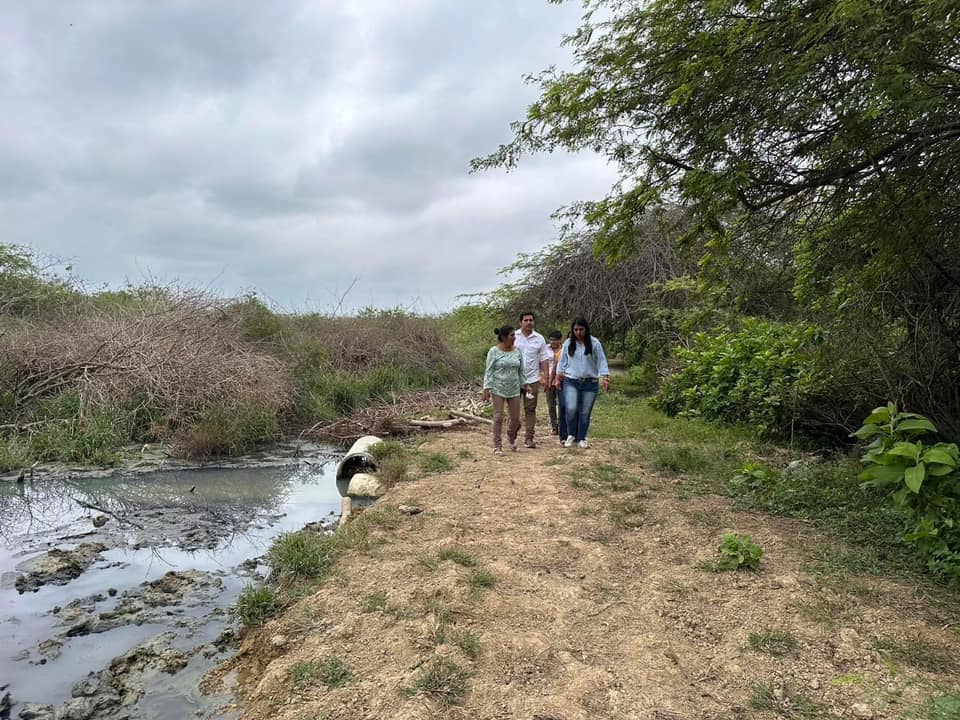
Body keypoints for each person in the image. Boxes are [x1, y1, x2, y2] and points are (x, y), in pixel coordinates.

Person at [555, 317, 610, 449]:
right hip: (571, 380)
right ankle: (571, 435)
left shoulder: (594, 343)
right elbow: (562, 361)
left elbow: (601, 360)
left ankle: (582, 438)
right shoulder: (568, 343)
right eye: (576, 330)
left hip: (590, 382)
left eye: (581, 329)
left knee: (585, 412)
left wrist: (605, 377)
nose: (578, 332)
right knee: (571, 408)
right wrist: (558, 377)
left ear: (586, 329)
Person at [482, 325, 530, 456]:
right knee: (498, 416)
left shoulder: (517, 351)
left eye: (514, 335)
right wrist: (486, 388)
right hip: (498, 387)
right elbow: (489, 371)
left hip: (514, 388)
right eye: (512, 335)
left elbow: (521, 370)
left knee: (515, 418)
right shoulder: (494, 351)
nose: (514, 338)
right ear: (503, 337)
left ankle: (511, 434)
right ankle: (497, 445)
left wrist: (526, 384)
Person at [513, 312, 552, 448]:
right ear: (520, 322)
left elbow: (544, 359)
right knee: (513, 410)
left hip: (532, 379)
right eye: (526, 320)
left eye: (531, 320)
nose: (529, 322)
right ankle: (512, 433)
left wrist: (546, 377)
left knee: (530, 409)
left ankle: (529, 438)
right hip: (515, 379)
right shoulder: (513, 336)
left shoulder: (539, 338)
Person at [544, 329, 565, 437]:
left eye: (555, 340)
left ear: (560, 340)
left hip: (562, 380)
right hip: (548, 380)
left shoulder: (565, 349)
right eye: (551, 340)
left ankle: (562, 426)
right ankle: (554, 427)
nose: (552, 342)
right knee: (551, 405)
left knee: (562, 404)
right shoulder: (545, 349)